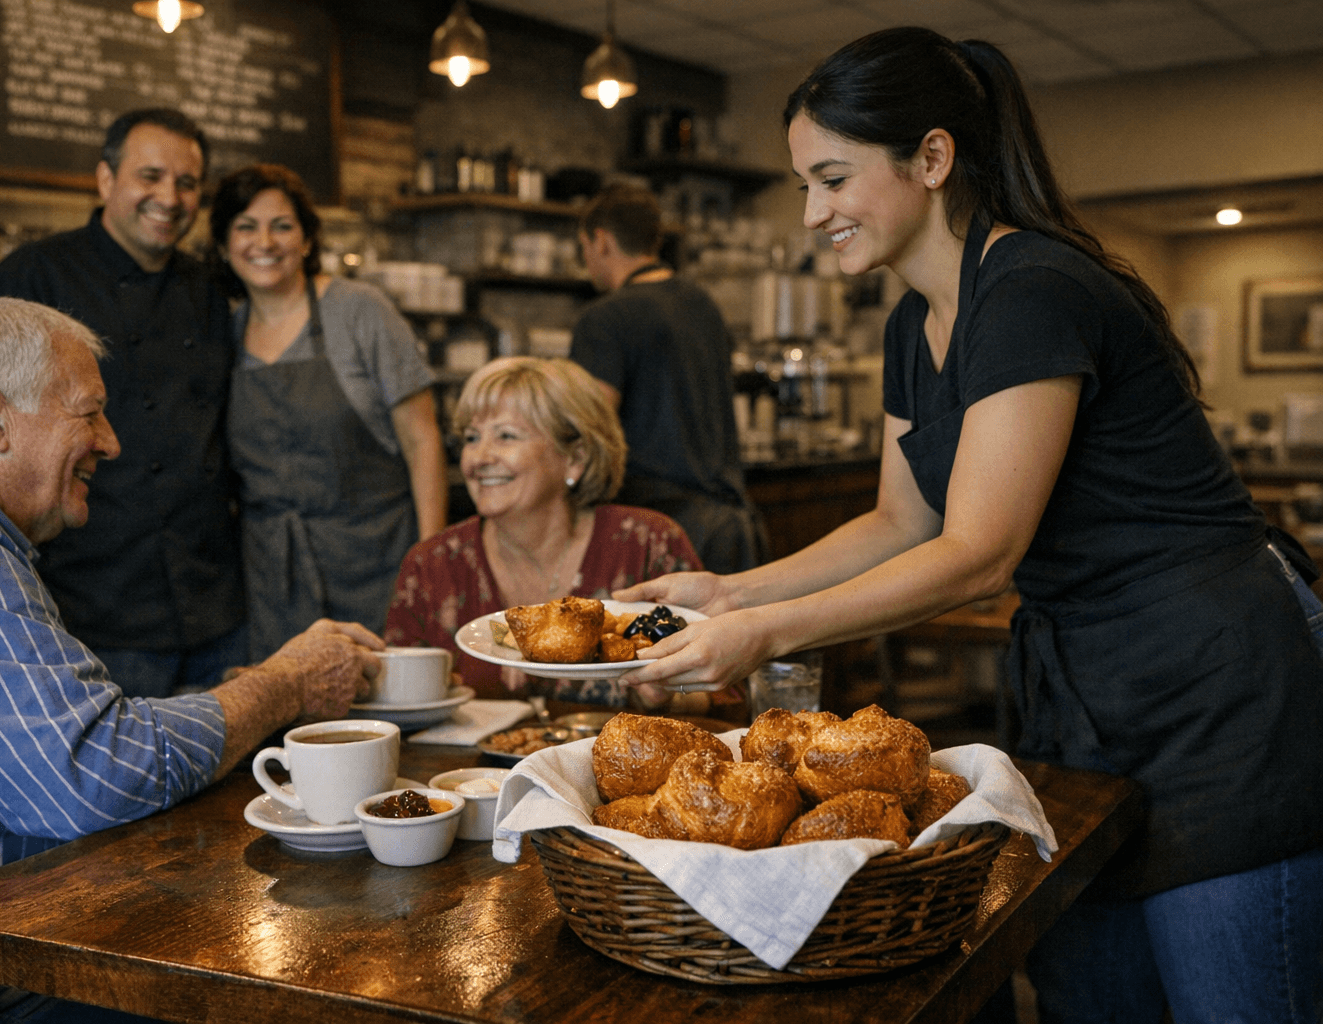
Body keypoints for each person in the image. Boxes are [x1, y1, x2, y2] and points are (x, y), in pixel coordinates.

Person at [616, 27, 1323, 1024]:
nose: (813, 213)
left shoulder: (1031, 289)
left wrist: (764, 634)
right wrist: (730, 593)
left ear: (933, 158)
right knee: (1089, 1000)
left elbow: (980, 552)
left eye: (832, 179)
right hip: (1087, 693)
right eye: (805, 186)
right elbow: (901, 519)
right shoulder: (914, 322)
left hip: (1217, 690)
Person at [0, 298, 381, 1024]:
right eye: (89, 414)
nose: (112, 443)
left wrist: (237, 696)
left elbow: (72, 734)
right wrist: (282, 685)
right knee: (297, 966)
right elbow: (91, 777)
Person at [0, 108, 243, 699]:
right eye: (150, 176)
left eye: (186, 183)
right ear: (105, 179)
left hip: (216, 607)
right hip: (92, 610)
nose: (169, 198)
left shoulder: (210, 288)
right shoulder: (34, 276)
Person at [210, 164, 449, 659]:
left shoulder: (359, 309)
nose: (265, 242)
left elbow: (423, 441)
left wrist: (428, 565)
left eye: (282, 225)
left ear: (306, 238)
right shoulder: (224, 333)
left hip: (376, 563)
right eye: (246, 227)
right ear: (223, 245)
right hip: (273, 578)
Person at [384, 356, 702, 707]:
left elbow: (724, 694)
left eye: (506, 436)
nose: (478, 458)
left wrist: (668, 697)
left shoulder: (649, 544)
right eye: (472, 438)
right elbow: (397, 697)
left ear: (575, 458)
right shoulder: (431, 566)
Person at [570, 183, 764, 575]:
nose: (586, 258)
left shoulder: (604, 318)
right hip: (730, 523)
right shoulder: (702, 304)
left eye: (584, 246)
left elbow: (589, 429)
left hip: (654, 532)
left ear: (602, 241)